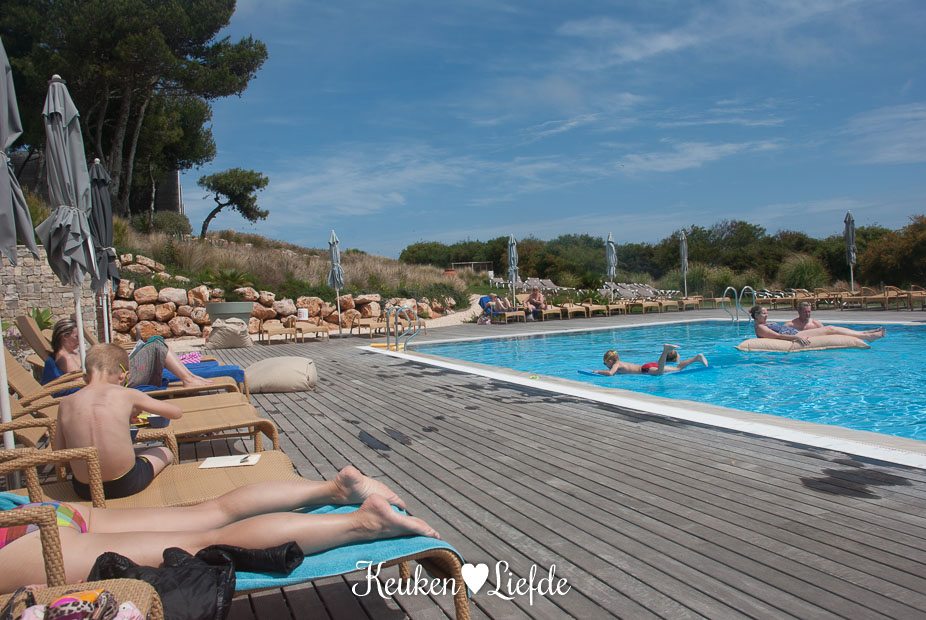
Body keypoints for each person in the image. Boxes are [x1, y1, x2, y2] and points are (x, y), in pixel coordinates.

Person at [0, 467, 438, 593]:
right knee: (214, 511)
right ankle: (333, 489)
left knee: (199, 546)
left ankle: (362, 522)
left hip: (19, 539)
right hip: (39, 514)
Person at [54, 344, 183, 500]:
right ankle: (170, 493)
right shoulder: (128, 394)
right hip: (125, 483)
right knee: (164, 451)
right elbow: (176, 413)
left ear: (85, 377)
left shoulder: (65, 403)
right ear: (123, 376)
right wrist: (137, 407)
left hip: (84, 489)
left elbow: (60, 456)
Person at [45, 318, 213, 389]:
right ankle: (188, 379)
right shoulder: (65, 358)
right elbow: (83, 384)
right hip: (118, 381)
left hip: (115, 375)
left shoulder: (70, 354)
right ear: (64, 336)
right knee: (156, 345)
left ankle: (189, 377)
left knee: (156, 342)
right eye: (76, 337)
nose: (79, 341)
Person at [749, 305, 884, 344]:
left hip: (797, 333)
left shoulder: (763, 325)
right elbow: (778, 336)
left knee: (831, 329)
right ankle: (866, 336)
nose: (766, 315)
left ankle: (865, 333)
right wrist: (796, 337)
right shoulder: (760, 328)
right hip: (798, 334)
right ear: (756, 315)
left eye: (767, 313)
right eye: (764, 314)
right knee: (830, 329)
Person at [596, 344, 708, 376]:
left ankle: (665, 351)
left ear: (610, 361)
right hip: (648, 365)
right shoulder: (620, 362)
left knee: (659, 372)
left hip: (645, 370)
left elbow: (610, 373)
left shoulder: (616, 364)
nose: (606, 366)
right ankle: (696, 358)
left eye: (605, 364)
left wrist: (598, 371)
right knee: (677, 368)